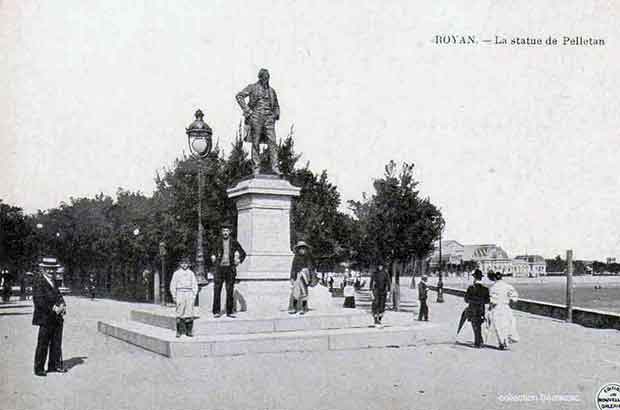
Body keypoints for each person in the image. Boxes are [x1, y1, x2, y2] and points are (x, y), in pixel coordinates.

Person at [236, 68, 281, 175]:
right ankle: (256, 167)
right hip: (256, 116)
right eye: (264, 78)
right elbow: (239, 96)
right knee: (255, 143)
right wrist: (248, 111)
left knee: (273, 142)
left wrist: (276, 114)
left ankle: (275, 167)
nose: (266, 80)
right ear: (260, 78)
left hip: (269, 118)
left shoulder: (272, 91)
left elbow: (276, 105)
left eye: (268, 78)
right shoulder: (252, 87)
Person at [32, 263, 66, 376]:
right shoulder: (39, 281)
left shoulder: (53, 281)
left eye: (53, 269)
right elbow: (38, 300)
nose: (51, 271)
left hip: (57, 317)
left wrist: (62, 305)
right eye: (48, 269)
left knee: (56, 342)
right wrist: (53, 308)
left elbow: (59, 296)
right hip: (45, 317)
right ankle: (39, 368)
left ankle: (54, 365)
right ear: (42, 269)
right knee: (43, 343)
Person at [211, 221, 246, 318]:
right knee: (217, 290)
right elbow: (211, 252)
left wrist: (238, 260)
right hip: (219, 269)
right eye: (223, 231)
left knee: (230, 290)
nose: (225, 232)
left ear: (230, 232)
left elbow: (243, 253)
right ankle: (216, 311)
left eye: (227, 231)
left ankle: (229, 311)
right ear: (221, 232)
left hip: (230, 269)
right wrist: (212, 256)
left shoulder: (234, 242)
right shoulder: (217, 241)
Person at [487, 271, 519, 350]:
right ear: (501, 277)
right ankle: (507, 340)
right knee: (508, 324)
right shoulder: (508, 286)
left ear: (494, 278)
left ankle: (502, 342)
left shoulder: (493, 288)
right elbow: (514, 298)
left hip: (497, 308)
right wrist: (510, 300)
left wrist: (489, 308)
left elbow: (492, 301)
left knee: (499, 326)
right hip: (506, 307)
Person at [169, 257, 198, 337]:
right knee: (180, 312)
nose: (184, 265)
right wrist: (174, 296)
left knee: (189, 312)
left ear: (188, 264)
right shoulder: (176, 273)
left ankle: (189, 331)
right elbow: (173, 285)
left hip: (189, 293)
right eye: (183, 263)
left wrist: (194, 295)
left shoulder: (191, 273)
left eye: (186, 263)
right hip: (180, 293)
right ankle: (179, 331)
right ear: (180, 264)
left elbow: (194, 284)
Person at [464, 269, 490, 348]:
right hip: (481, 309)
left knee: (475, 325)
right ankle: (479, 340)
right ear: (481, 278)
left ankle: (478, 342)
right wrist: (480, 301)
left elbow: (466, 299)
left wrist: (473, 300)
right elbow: (487, 301)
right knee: (478, 325)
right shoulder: (485, 289)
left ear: (474, 278)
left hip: (472, 308)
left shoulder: (471, 288)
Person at [289, 241, 314, 314]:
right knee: (295, 292)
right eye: (300, 248)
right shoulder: (296, 258)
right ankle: (294, 308)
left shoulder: (308, 257)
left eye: (304, 248)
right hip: (298, 276)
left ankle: (303, 308)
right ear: (298, 249)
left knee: (304, 293)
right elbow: (293, 268)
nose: (302, 250)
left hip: (305, 276)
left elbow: (310, 267)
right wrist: (292, 277)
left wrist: (309, 276)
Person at [370, 262, 390, 328]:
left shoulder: (385, 274)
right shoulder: (374, 273)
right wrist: (371, 293)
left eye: (381, 266)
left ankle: (380, 320)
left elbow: (388, 283)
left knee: (382, 306)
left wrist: (389, 292)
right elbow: (371, 282)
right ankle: (376, 320)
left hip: (383, 291)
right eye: (379, 266)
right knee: (376, 304)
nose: (380, 267)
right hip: (376, 291)